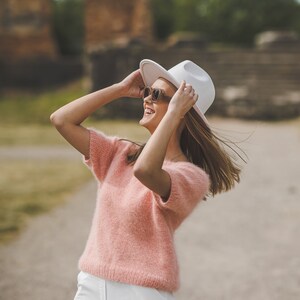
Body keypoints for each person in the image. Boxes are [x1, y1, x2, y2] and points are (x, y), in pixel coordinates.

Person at [50, 59, 243, 300]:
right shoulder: (121, 153)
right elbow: (61, 120)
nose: (147, 98)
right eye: (148, 91)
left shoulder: (190, 176)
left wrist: (173, 114)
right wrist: (119, 89)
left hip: (140, 290)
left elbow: (145, 171)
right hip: (92, 281)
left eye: (158, 94)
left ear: (182, 110)